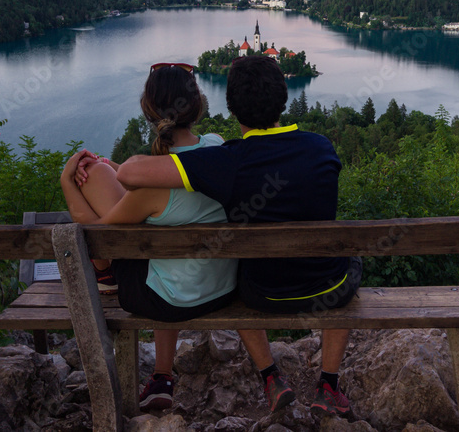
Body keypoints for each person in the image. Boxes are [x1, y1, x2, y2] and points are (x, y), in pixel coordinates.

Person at [117, 55, 361, 416]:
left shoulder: (226, 161)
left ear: (232, 109)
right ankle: (327, 385)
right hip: (328, 287)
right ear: (284, 98)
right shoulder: (321, 147)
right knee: (349, 260)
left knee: (240, 272)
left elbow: (130, 173)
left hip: (262, 294)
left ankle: (271, 377)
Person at [60, 62, 236, 412]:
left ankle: (106, 277)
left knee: (93, 177)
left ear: (150, 112)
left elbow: (95, 231)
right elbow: (172, 170)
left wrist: (68, 181)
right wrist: (118, 170)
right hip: (221, 289)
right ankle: (161, 376)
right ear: (196, 105)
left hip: (171, 301)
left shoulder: (149, 192)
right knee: (165, 259)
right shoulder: (217, 147)